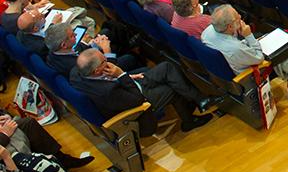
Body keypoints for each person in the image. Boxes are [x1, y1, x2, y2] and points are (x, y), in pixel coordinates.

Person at [70, 49, 220, 135]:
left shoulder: (77, 73)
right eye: (105, 61)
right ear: (97, 70)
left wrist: (127, 76)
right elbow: (137, 99)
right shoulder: (107, 91)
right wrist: (122, 75)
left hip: (128, 85)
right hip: (136, 99)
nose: (108, 62)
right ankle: (189, 121)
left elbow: (106, 79)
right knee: (171, 89)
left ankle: (200, 99)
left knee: (167, 67)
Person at [201, 5, 288, 101]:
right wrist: (248, 35)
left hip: (239, 59)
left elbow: (233, 41)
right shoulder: (235, 48)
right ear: (230, 26)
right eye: (237, 17)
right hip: (251, 74)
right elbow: (259, 58)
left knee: (286, 34)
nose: (240, 17)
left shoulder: (208, 32)